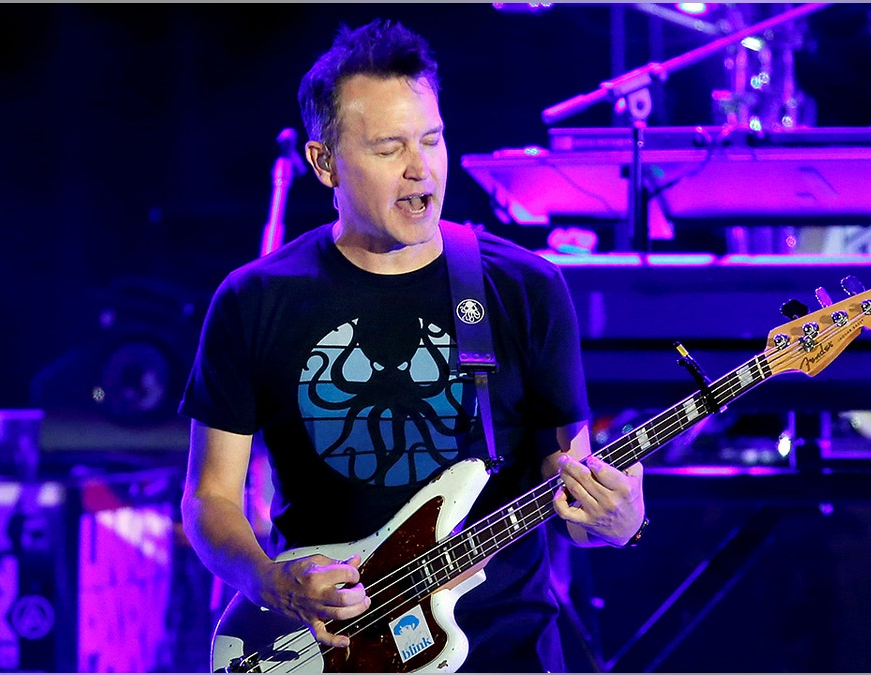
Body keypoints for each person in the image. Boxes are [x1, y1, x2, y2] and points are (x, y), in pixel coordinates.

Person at [179, 18, 646, 673]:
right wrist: (274, 581)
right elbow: (210, 499)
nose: (420, 168)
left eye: (432, 139)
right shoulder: (253, 299)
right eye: (389, 146)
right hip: (331, 650)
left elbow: (568, 491)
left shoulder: (525, 287)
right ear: (325, 163)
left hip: (501, 650)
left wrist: (618, 521)